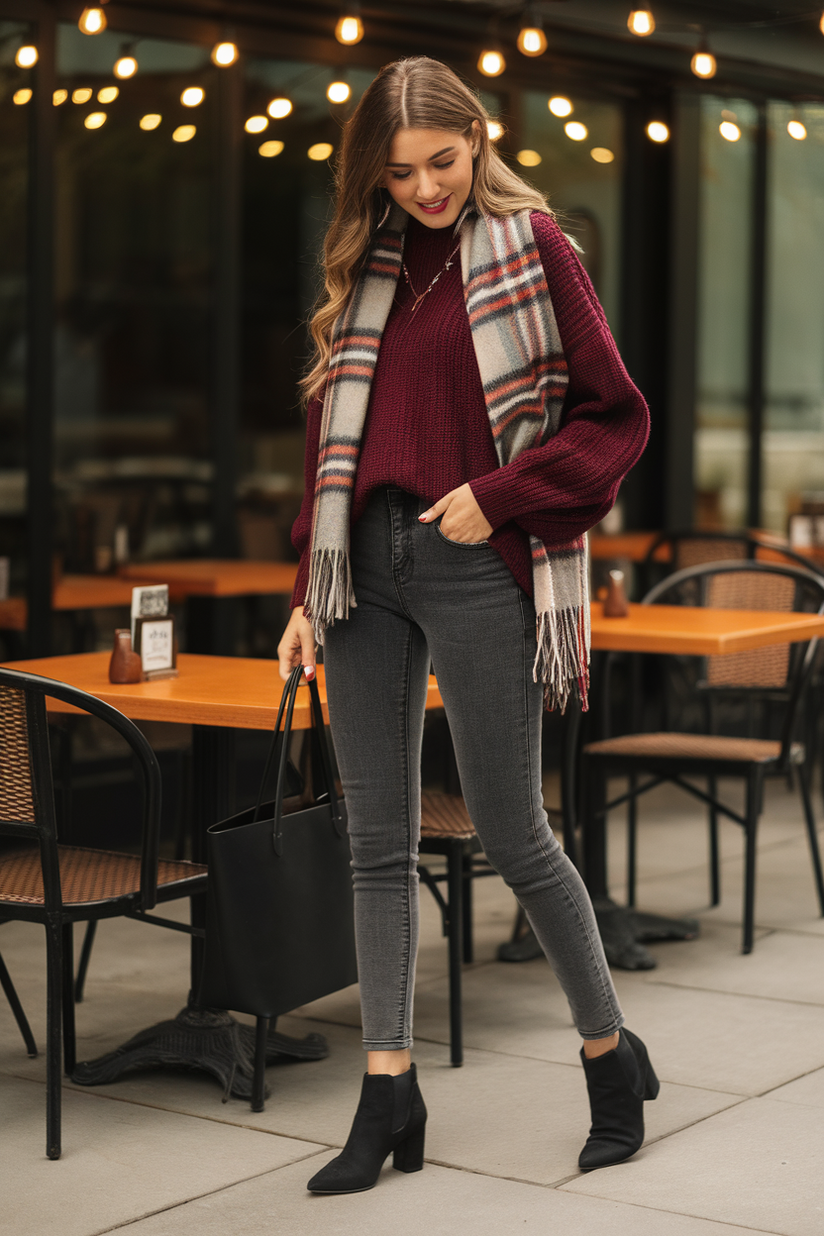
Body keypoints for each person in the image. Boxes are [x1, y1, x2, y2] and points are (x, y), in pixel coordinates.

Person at [278, 56, 654, 1195]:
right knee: (374, 840)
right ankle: (386, 1090)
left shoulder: (537, 250)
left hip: (475, 557)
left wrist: (497, 495)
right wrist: (305, 584)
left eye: (442, 161)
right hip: (364, 568)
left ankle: (607, 1054)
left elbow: (614, 417)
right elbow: (324, 439)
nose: (427, 187)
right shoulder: (369, 267)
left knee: (510, 830)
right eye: (399, 173)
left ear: (477, 138)